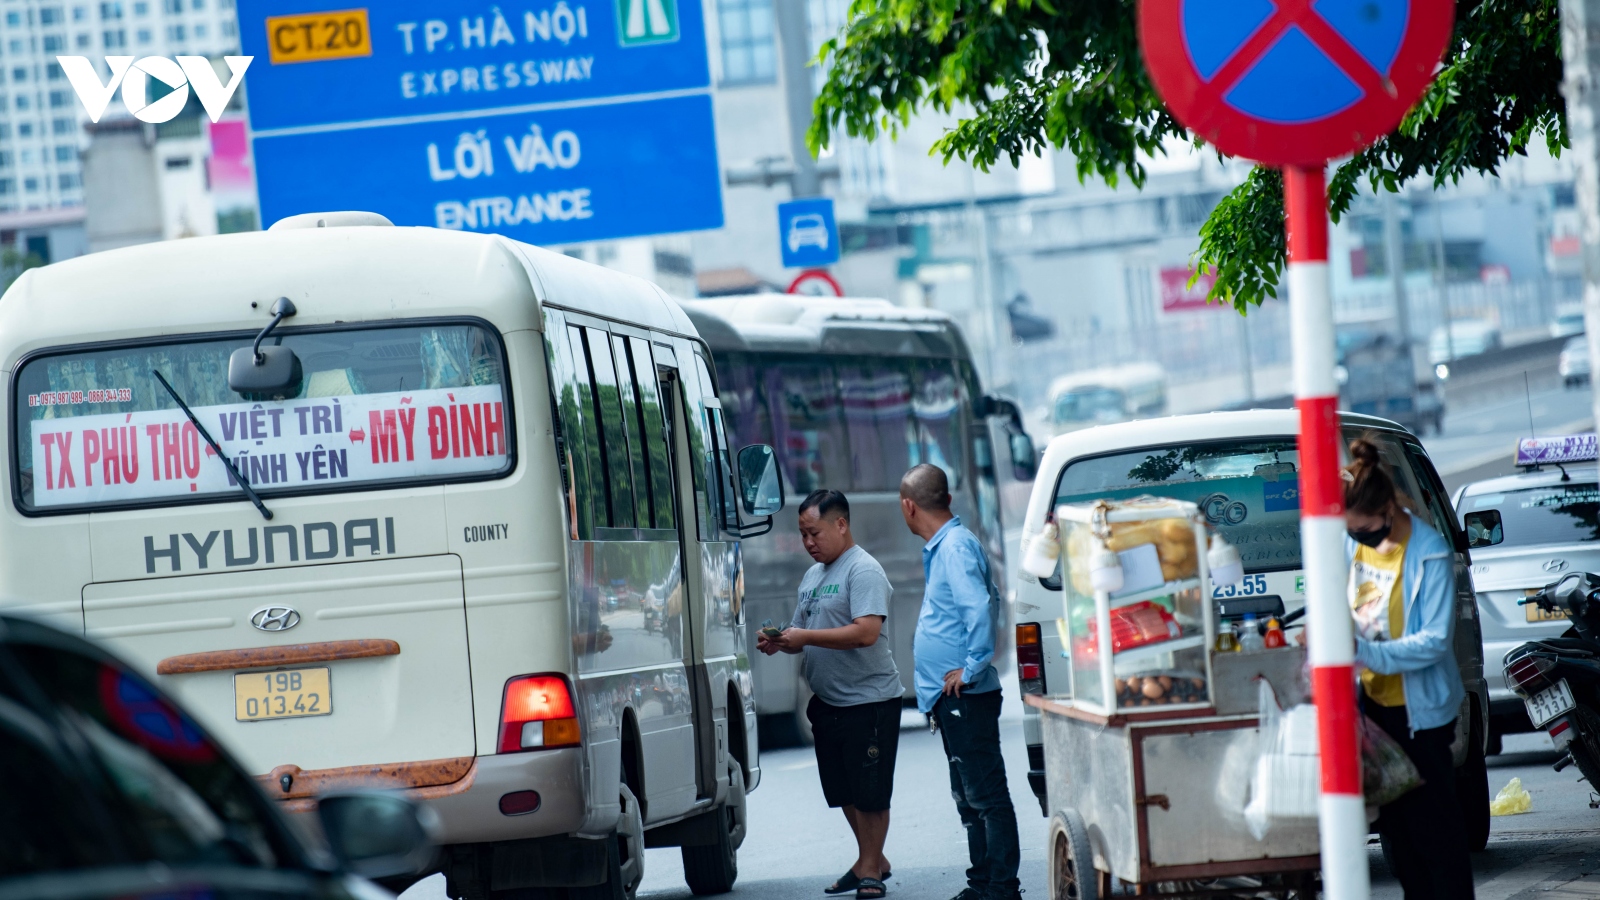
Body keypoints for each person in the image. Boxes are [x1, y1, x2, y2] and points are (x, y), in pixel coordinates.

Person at [1344, 437, 1474, 900]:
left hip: (1420, 716)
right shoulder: (1353, 545)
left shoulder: (1429, 553)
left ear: (1387, 511)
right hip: (1373, 711)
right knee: (1397, 837)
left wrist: (1362, 654)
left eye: (1365, 529)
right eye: (1352, 530)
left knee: (1436, 836)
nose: (1359, 537)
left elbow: (1435, 641)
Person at [759, 489, 901, 900]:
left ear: (841, 524)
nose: (808, 543)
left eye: (814, 533)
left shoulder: (863, 571)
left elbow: (866, 631)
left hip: (869, 700)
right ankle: (872, 859)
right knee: (843, 790)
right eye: (802, 534)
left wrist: (803, 635)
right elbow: (801, 632)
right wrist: (781, 639)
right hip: (829, 703)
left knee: (870, 790)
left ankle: (870, 869)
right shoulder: (812, 577)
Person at [898, 463, 1020, 900]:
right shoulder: (946, 545)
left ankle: (1002, 888)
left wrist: (970, 670)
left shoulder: (954, 548)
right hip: (952, 697)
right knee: (970, 799)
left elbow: (979, 610)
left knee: (986, 797)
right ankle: (983, 883)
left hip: (966, 696)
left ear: (909, 506)